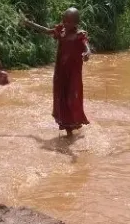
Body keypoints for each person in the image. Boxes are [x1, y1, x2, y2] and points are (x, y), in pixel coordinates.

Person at [22, 8, 92, 136]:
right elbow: (47, 30)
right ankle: (68, 130)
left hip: (73, 75)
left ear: (76, 23)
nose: (65, 24)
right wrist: (30, 24)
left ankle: (75, 122)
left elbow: (86, 47)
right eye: (64, 21)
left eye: (69, 22)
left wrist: (87, 53)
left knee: (72, 99)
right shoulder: (61, 32)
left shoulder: (79, 35)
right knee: (61, 99)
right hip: (60, 74)